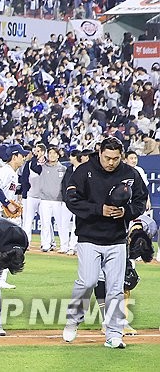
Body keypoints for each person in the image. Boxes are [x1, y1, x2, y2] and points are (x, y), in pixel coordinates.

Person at [62, 137, 148, 349]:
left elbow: (141, 200)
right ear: (99, 152)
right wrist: (98, 209)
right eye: (107, 158)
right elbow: (71, 200)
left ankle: (114, 334)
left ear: (122, 156)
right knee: (88, 282)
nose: (111, 162)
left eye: (116, 158)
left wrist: (125, 212)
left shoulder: (130, 173)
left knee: (116, 289)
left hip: (117, 239)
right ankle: (73, 320)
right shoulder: (83, 171)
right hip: (89, 237)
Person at [0, 144, 26, 289]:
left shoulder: (13, 173)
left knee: (5, 247)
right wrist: (7, 203)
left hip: (2, 215)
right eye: (22, 155)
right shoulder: (5, 171)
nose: (24, 158)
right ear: (14, 156)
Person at [28, 147, 70, 253]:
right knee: (45, 223)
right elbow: (33, 167)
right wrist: (36, 155)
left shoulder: (63, 169)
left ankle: (64, 246)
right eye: (49, 153)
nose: (51, 155)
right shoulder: (42, 167)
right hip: (45, 199)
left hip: (58, 200)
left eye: (54, 153)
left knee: (61, 224)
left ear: (58, 155)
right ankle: (46, 244)